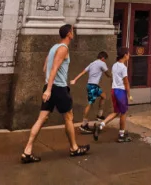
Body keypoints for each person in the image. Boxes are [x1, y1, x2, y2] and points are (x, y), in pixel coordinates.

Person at [21, 24, 90, 163]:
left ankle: (27, 151)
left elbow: (45, 67)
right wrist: (49, 89)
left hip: (51, 86)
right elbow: (53, 68)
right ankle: (74, 148)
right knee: (69, 117)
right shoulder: (63, 49)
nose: (74, 33)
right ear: (69, 34)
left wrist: (48, 85)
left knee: (42, 119)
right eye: (73, 31)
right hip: (58, 88)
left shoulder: (53, 48)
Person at [93, 47, 132, 143]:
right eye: (128, 54)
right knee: (123, 113)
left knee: (116, 112)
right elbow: (126, 82)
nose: (129, 55)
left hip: (114, 90)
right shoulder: (123, 67)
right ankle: (121, 135)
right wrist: (128, 94)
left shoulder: (114, 65)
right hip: (121, 91)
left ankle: (101, 125)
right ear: (125, 55)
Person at [70, 51, 110, 134]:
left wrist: (75, 79)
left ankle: (99, 115)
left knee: (104, 96)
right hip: (93, 86)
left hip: (91, 85)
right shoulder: (102, 63)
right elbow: (108, 74)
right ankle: (84, 125)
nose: (105, 61)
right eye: (105, 59)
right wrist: (114, 76)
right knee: (90, 104)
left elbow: (82, 72)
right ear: (103, 58)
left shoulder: (92, 64)